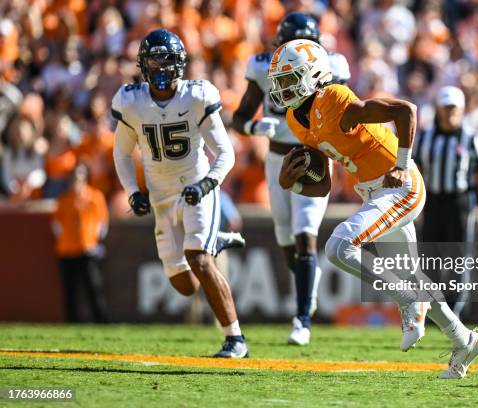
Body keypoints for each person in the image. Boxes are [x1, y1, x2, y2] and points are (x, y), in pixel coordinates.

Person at [272, 39, 478, 379]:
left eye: (289, 79)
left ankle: (406, 299)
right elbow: (324, 184)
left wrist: (402, 163)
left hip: (398, 185)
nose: (283, 89)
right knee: (411, 274)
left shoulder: (335, 99)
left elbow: (405, 111)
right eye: (280, 82)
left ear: (313, 75)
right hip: (373, 193)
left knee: (340, 246)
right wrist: (292, 184)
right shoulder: (298, 119)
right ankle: (465, 340)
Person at [112, 29, 247, 357]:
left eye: (167, 60)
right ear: (143, 65)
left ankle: (235, 339)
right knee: (185, 285)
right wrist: (133, 191)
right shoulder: (132, 102)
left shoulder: (197, 96)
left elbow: (226, 153)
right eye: (154, 60)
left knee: (198, 258)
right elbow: (121, 153)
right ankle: (216, 241)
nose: (160, 68)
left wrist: (206, 184)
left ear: (180, 64)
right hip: (160, 194)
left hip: (195, 187)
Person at [232, 12, 351, 346]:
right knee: (285, 237)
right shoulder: (262, 68)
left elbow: (344, 112)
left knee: (305, 235)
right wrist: (255, 127)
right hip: (276, 158)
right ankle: (306, 286)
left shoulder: (331, 67)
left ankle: (302, 319)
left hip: (313, 155)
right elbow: (240, 117)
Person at [413, 86, 478, 315]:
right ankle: (433, 309)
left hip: (459, 203)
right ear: (438, 110)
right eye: (446, 107)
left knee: (458, 258)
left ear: (461, 110)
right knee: (430, 257)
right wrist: (415, 207)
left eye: (454, 108)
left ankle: (454, 310)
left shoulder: (470, 139)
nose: (450, 112)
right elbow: (416, 173)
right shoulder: (424, 138)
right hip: (432, 202)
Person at [52, 163, 110, 323]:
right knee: (69, 291)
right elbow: (56, 226)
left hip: (87, 249)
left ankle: (101, 321)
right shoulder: (63, 200)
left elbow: (102, 223)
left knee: (94, 287)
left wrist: (94, 241)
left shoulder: (94, 197)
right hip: (66, 250)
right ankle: (71, 322)